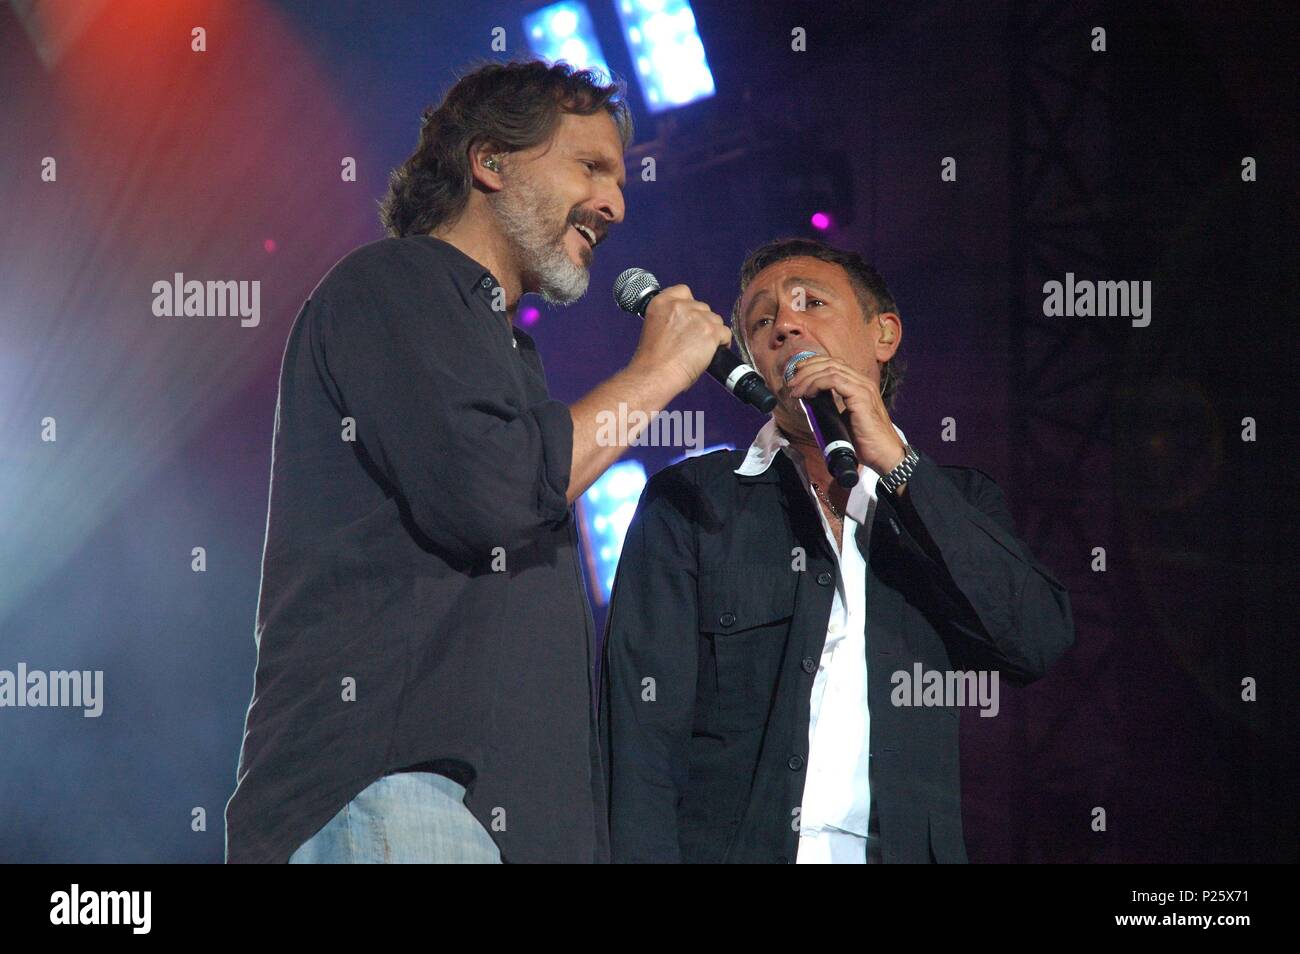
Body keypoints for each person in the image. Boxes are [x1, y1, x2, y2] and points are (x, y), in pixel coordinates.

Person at [225, 60, 731, 863]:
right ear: (489, 162)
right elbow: (492, 492)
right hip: (398, 800)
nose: (616, 203)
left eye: (619, 177)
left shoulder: (502, 349)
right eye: (590, 166)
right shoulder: (395, 282)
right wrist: (659, 370)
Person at [600, 237, 1075, 863]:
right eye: (760, 321)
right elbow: (640, 739)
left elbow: (1035, 640)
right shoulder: (692, 501)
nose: (785, 326)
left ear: (884, 335)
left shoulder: (959, 501)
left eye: (811, 303)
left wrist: (901, 470)